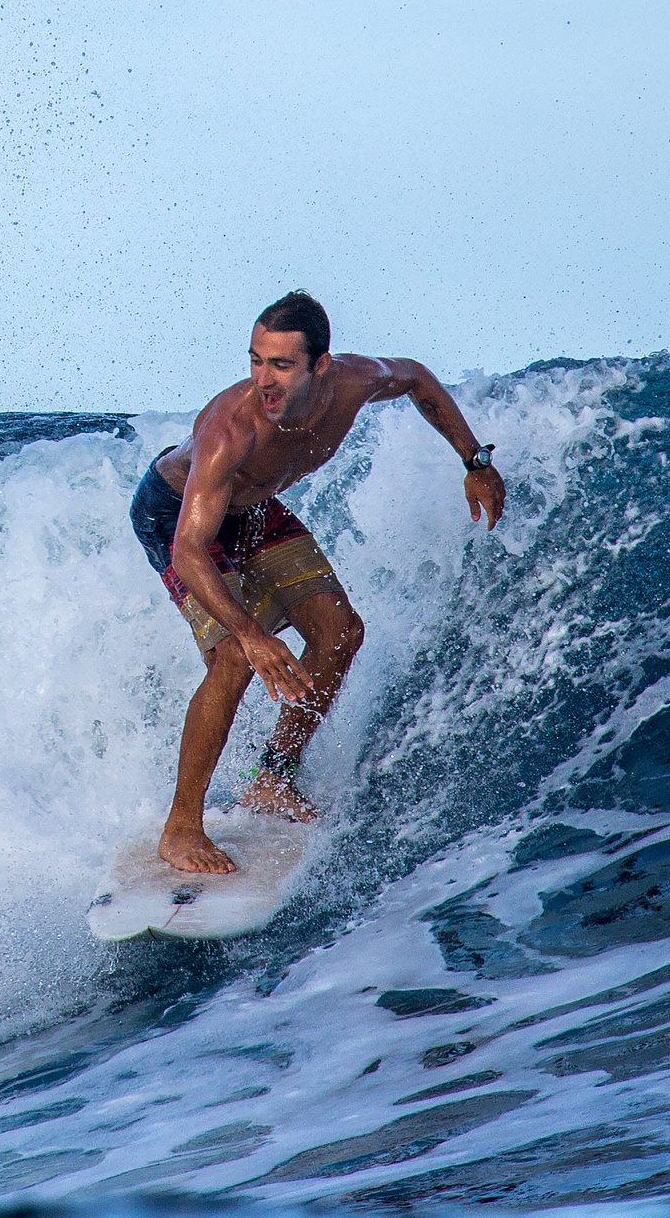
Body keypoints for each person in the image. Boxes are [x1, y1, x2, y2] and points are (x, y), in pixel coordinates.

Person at [132, 291, 507, 875]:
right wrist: (254, 635)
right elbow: (186, 548)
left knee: (341, 631)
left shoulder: (357, 381)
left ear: (321, 365)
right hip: (178, 515)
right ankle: (181, 827)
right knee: (234, 655)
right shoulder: (231, 430)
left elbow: (418, 380)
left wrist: (475, 462)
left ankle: (273, 779)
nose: (264, 380)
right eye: (256, 360)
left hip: (254, 508)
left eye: (281, 364)